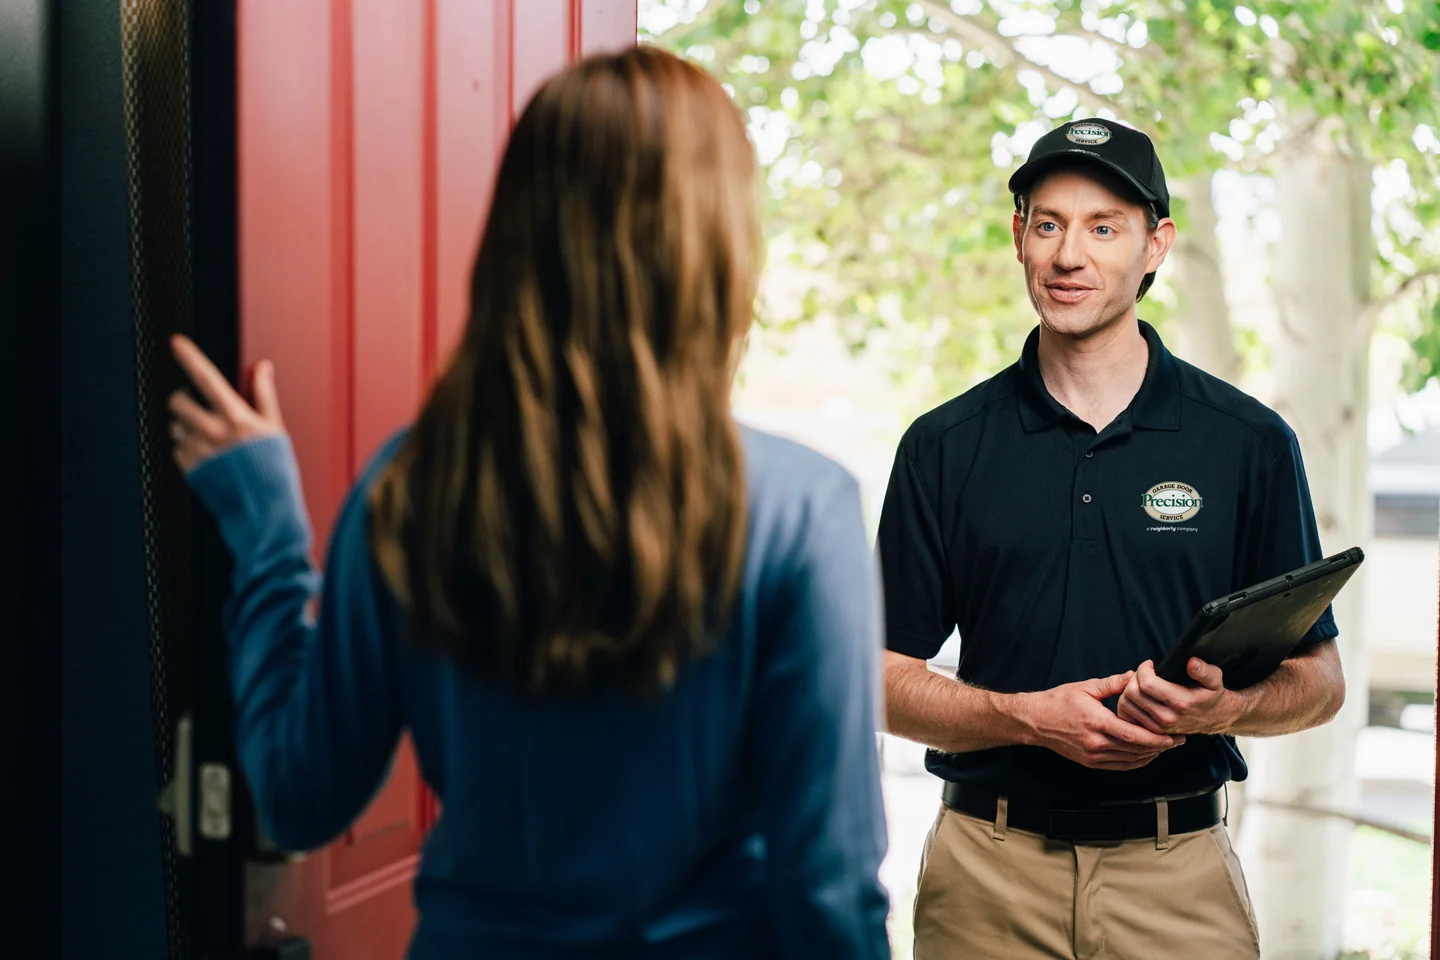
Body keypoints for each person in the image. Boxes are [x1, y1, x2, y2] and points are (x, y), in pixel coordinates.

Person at [167, 46, 890, 959]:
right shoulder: (803, 510)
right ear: (718, 240)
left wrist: (269, 533)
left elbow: (298, 798)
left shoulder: (412, 488)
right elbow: (828, 895)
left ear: (519, 232)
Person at [877, 117, 1346, 959]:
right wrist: (1023, 718)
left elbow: (1320, 680)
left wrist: (1228, 708)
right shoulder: (943, 446)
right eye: (1049, 223)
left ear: (1156, 245)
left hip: (1177, 874)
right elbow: (874, 678)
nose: (1069, 256)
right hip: (985, 875)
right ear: (1018, 237)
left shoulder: (1247, 443)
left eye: (1104, 228)